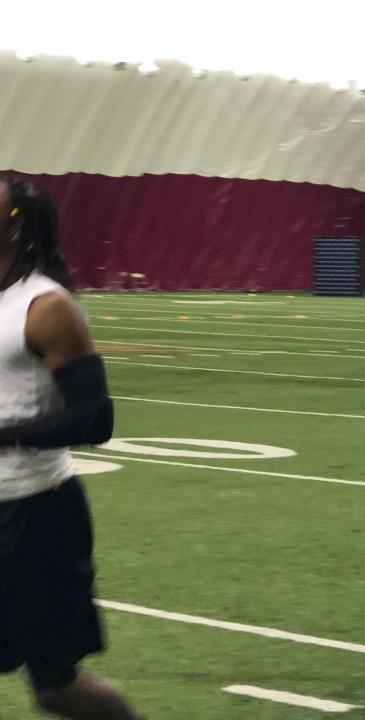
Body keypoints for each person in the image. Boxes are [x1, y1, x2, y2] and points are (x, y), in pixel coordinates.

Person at [0, 177, 144, 720]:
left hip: (34, 517)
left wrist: (5, 433)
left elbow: (94, 417)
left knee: (55, 688)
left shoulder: (46, 307)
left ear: (15, 220)